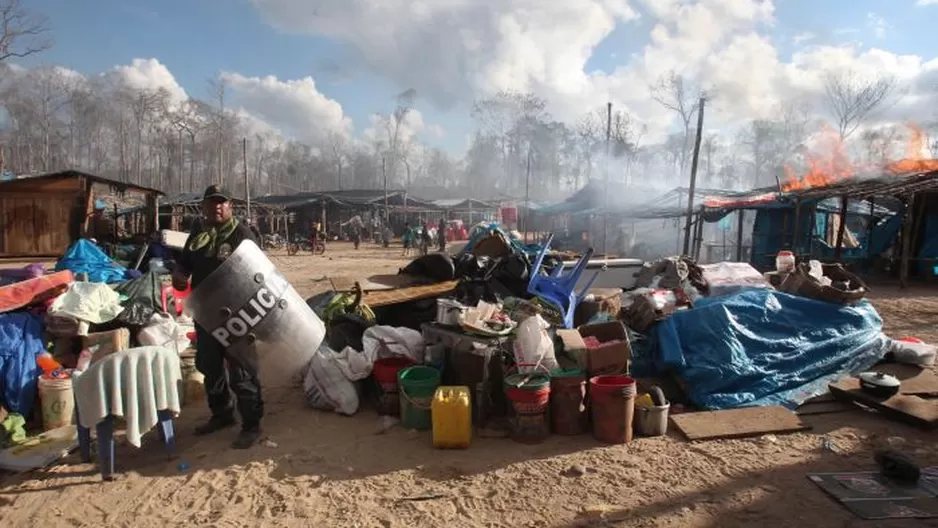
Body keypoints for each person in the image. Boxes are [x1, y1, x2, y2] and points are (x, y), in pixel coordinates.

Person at [172, 185, 264, 449]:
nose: (217, 207)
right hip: (205, 313)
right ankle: (222, 414)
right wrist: (178, 275)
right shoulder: (198, 235)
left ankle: (251, 423)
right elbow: (184, 264)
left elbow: (258, 275)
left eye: (222, 202)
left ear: (230, 206)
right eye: (212, 203)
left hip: (238, 315)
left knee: (241, 371)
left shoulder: (242, 235)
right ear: (203, 206)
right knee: (209, 367)